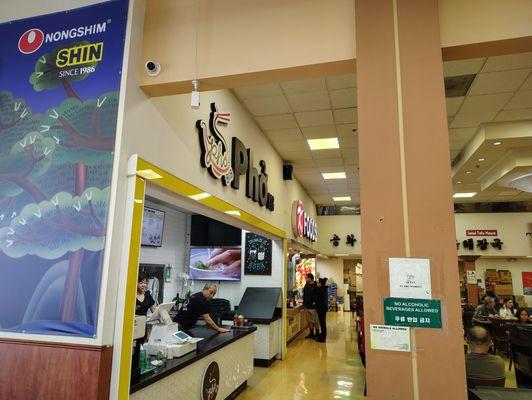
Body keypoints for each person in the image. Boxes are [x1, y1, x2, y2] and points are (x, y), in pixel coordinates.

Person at [303, 273, 319, 339]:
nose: (305, 279)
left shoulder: (316, 285)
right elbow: (305, 295)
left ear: (310, 278)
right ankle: (311, 334)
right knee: (309, 321)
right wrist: (304, 304)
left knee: (315, 321)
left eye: (306, 278)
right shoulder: (306, 285)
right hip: (307, 306)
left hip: (313, 307)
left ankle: (317, 334)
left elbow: (318, 296)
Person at [314, 277, 328, 342]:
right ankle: (322, 335)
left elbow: (317, 299)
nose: (316, 283)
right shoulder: (323, 289)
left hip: (321, 308)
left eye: (317, 282)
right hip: (323, 308)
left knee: (322, 323)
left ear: (320, 283)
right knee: (322, 322)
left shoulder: (320, 290)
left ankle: (323, 338)